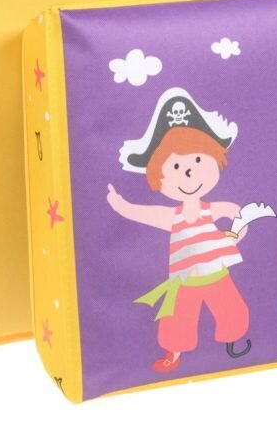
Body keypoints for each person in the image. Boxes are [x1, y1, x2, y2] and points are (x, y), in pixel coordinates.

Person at [108, 88, 252, 373]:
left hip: (217, 274)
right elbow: (142, 213)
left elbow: (240, 215)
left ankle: (233, 342)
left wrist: (235, 235)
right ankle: (173, 354)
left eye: (198, 160)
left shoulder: (211, 209)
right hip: (184, 282)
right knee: (177, 320)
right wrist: (120, 205)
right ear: (158, 177)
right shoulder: (172, 216)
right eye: (175, 166)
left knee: (231, 310)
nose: (189, 172)